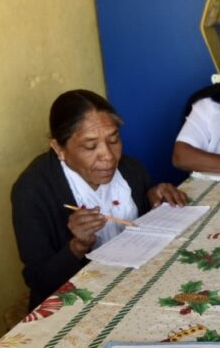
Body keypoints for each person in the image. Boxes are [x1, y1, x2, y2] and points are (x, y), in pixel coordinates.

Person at [12, 89, 188, 309]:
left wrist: (152, 198)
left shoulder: (130, 169)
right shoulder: (33, 190)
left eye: (113, 140)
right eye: (90, 146)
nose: (108, 156)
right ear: (59, 148)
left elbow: (138, 227)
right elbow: (39, 281)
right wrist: (77, 247)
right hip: (76, 305)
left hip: (134, 287)